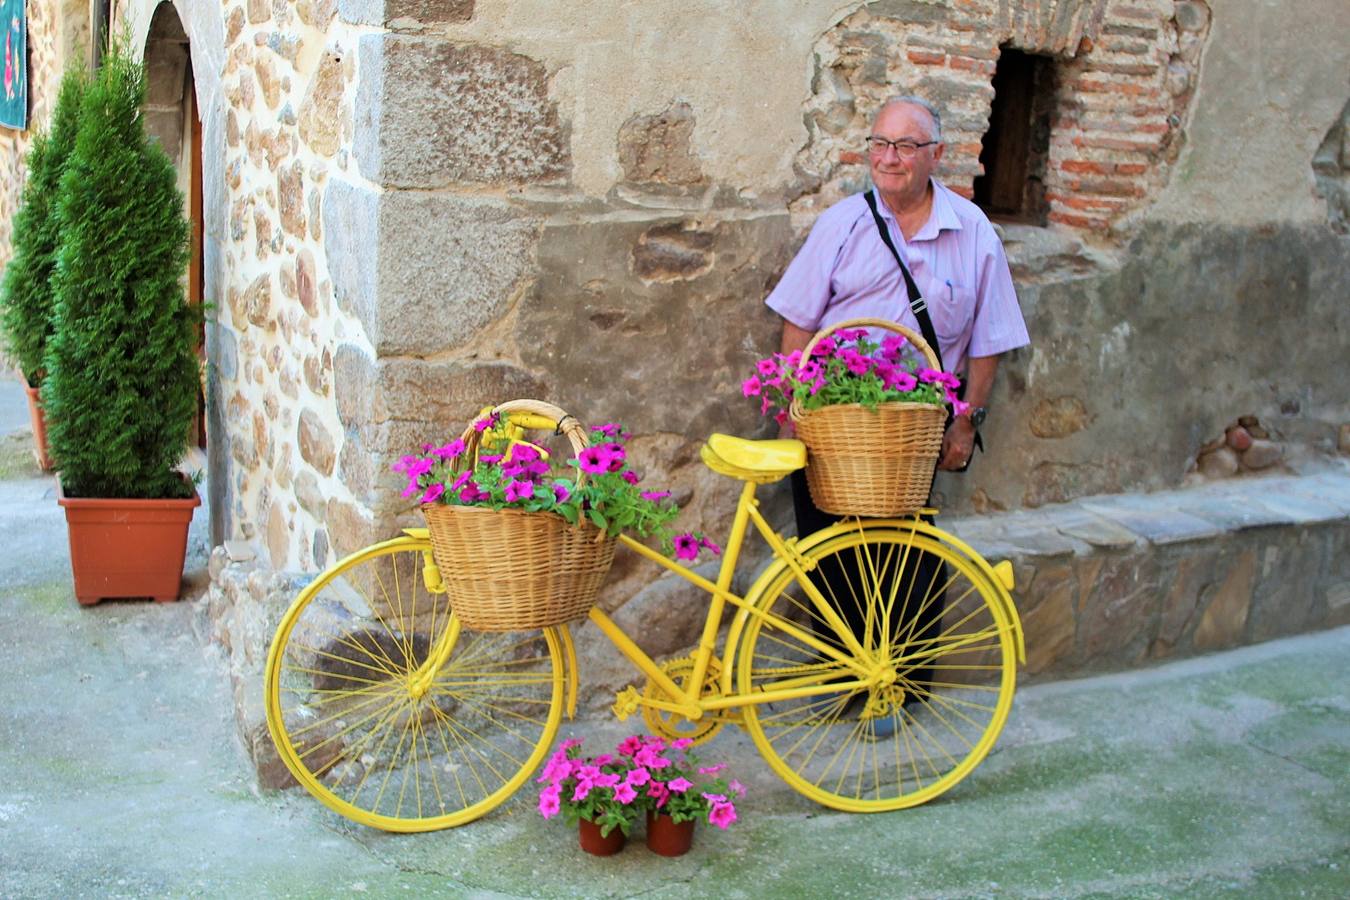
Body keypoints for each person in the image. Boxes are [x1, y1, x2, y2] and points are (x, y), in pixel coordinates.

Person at [763, 95, 1029, 730]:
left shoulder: (973, 234)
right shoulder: (841, 224)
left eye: (906, 147)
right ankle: (841, 677)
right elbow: (799, 322)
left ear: (935, 155)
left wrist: (966, 421)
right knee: (826, 548)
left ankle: (899, 688)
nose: (889, 158)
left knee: (904, 557)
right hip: (830, 417)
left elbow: (989, 341)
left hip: (913, 426)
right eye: (880, 144)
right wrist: (789, 408)